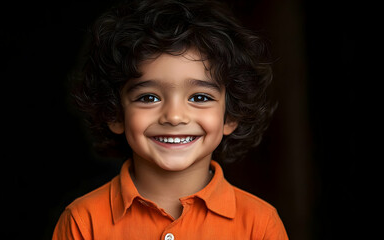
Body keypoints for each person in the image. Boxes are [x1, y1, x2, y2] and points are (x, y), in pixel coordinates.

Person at [52, 0, 288, 239]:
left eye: (199, 97)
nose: (174, 117)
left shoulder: (260, 224)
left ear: (231, 115)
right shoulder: (82, 221)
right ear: (115, 113)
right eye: (148, 98)